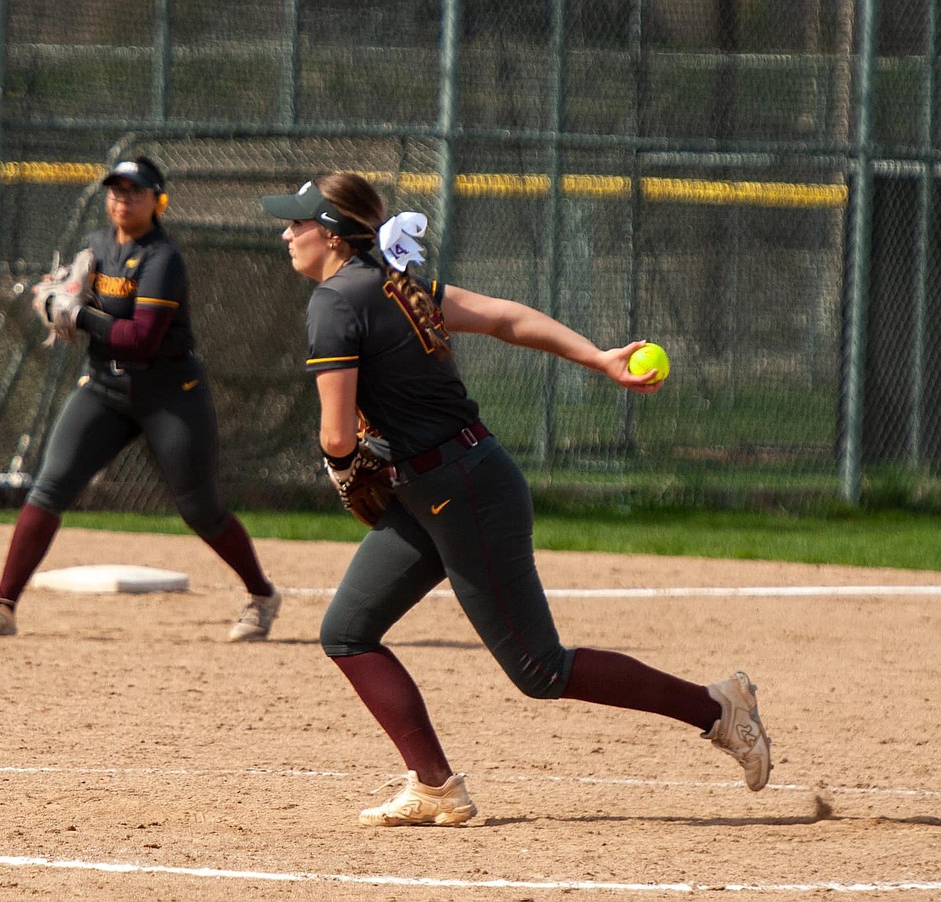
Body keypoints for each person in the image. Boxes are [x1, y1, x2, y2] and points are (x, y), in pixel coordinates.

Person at [261, 173, 772, 827]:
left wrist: (340, 471)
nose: (287, 233)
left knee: (538, 667)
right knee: (347, 632)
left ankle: (717, 708)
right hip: (439, 485)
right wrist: (599, 359)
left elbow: (336, 433)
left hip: (461, 490)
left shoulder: (336, 302)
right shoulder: (399, 287)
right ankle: (435, 787)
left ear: (330, 233)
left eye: (297, 222)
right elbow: (506, 317)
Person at [0, 157, 280, 641]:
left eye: (135, 191)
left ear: (157, 199)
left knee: (200, 509)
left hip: (170, 393)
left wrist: (77, 314)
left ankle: (261, 594)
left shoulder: (162, 258)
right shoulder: (99, 244)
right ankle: (3, 608)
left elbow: (142, 338)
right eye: (116, 190)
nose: (123, 200)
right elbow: (78, 300)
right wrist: (62, 293)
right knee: (48, 490)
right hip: (106, 387)